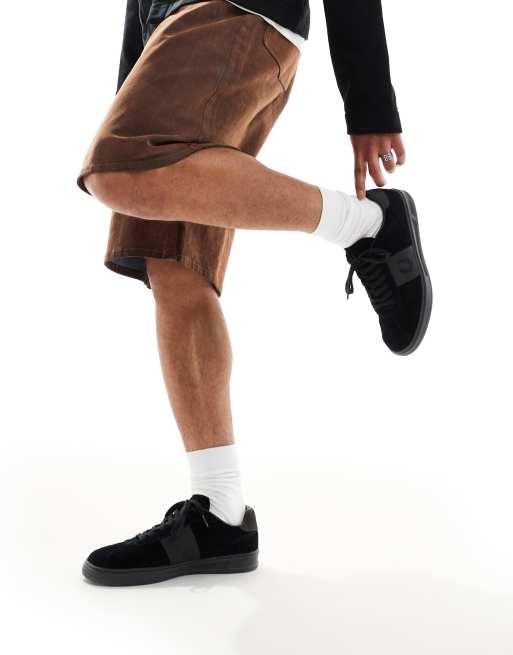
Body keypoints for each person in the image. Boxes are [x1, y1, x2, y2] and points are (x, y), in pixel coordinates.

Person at [77, 0, 432, 586]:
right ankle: (220, 513)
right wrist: (133, 86)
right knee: (174, 268)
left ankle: (367, 225)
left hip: (232, 11)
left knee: (121, 167)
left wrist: (370, 102)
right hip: (173, 28)